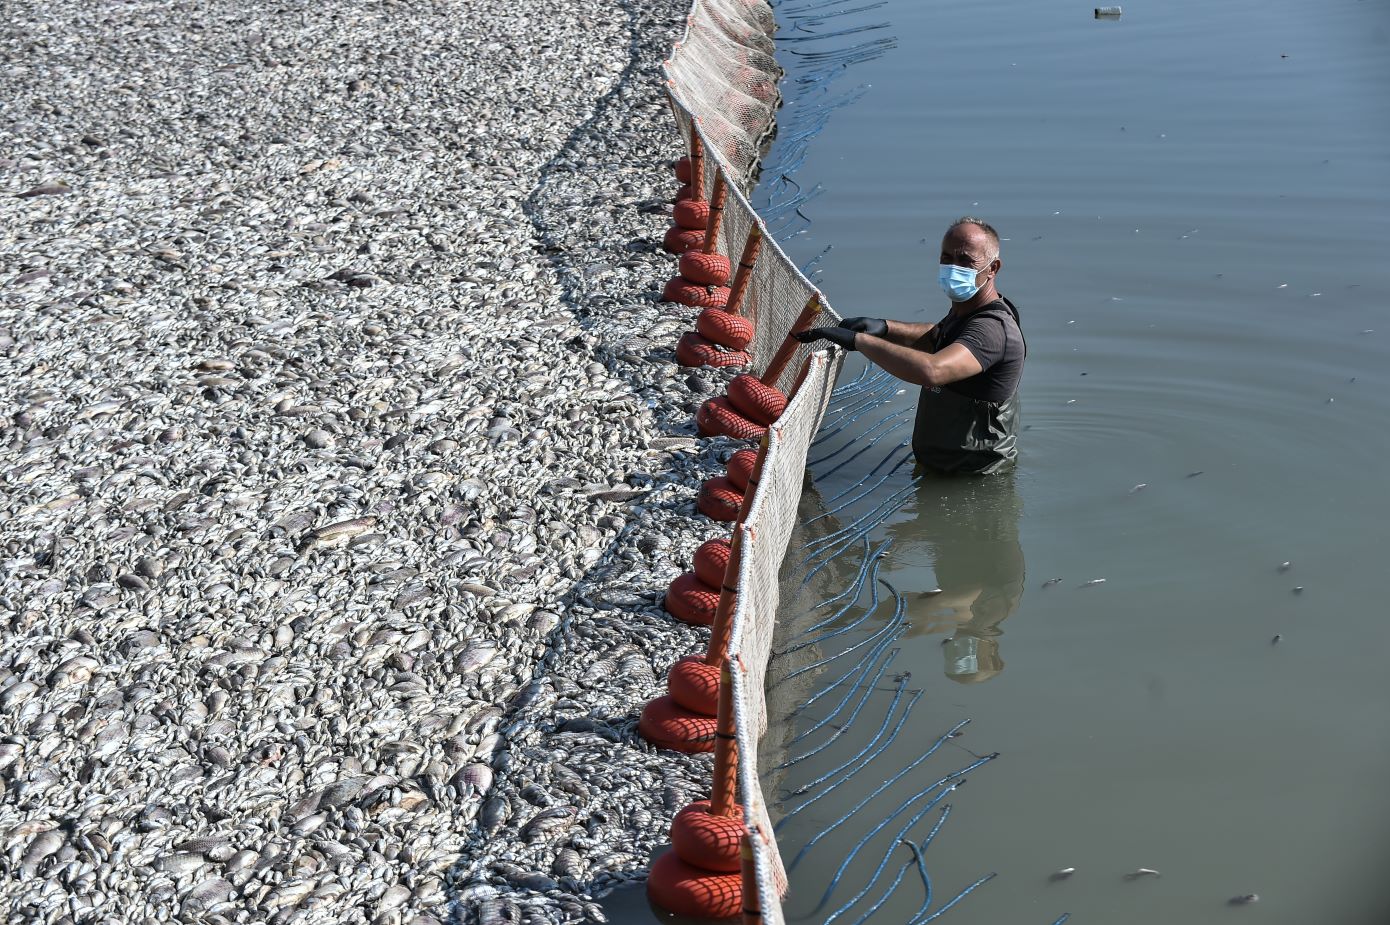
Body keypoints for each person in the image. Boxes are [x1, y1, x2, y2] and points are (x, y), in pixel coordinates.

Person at [795, 217, 1026, 475]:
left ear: (993, 268)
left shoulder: (991, 329)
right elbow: (937, 336)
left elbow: (933, 370)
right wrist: (884, 328)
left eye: (966, 261)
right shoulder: (966, 312)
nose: (953, 267)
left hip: (975, 479)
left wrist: (860, 342)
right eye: (947, 257)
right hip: (942, 467)